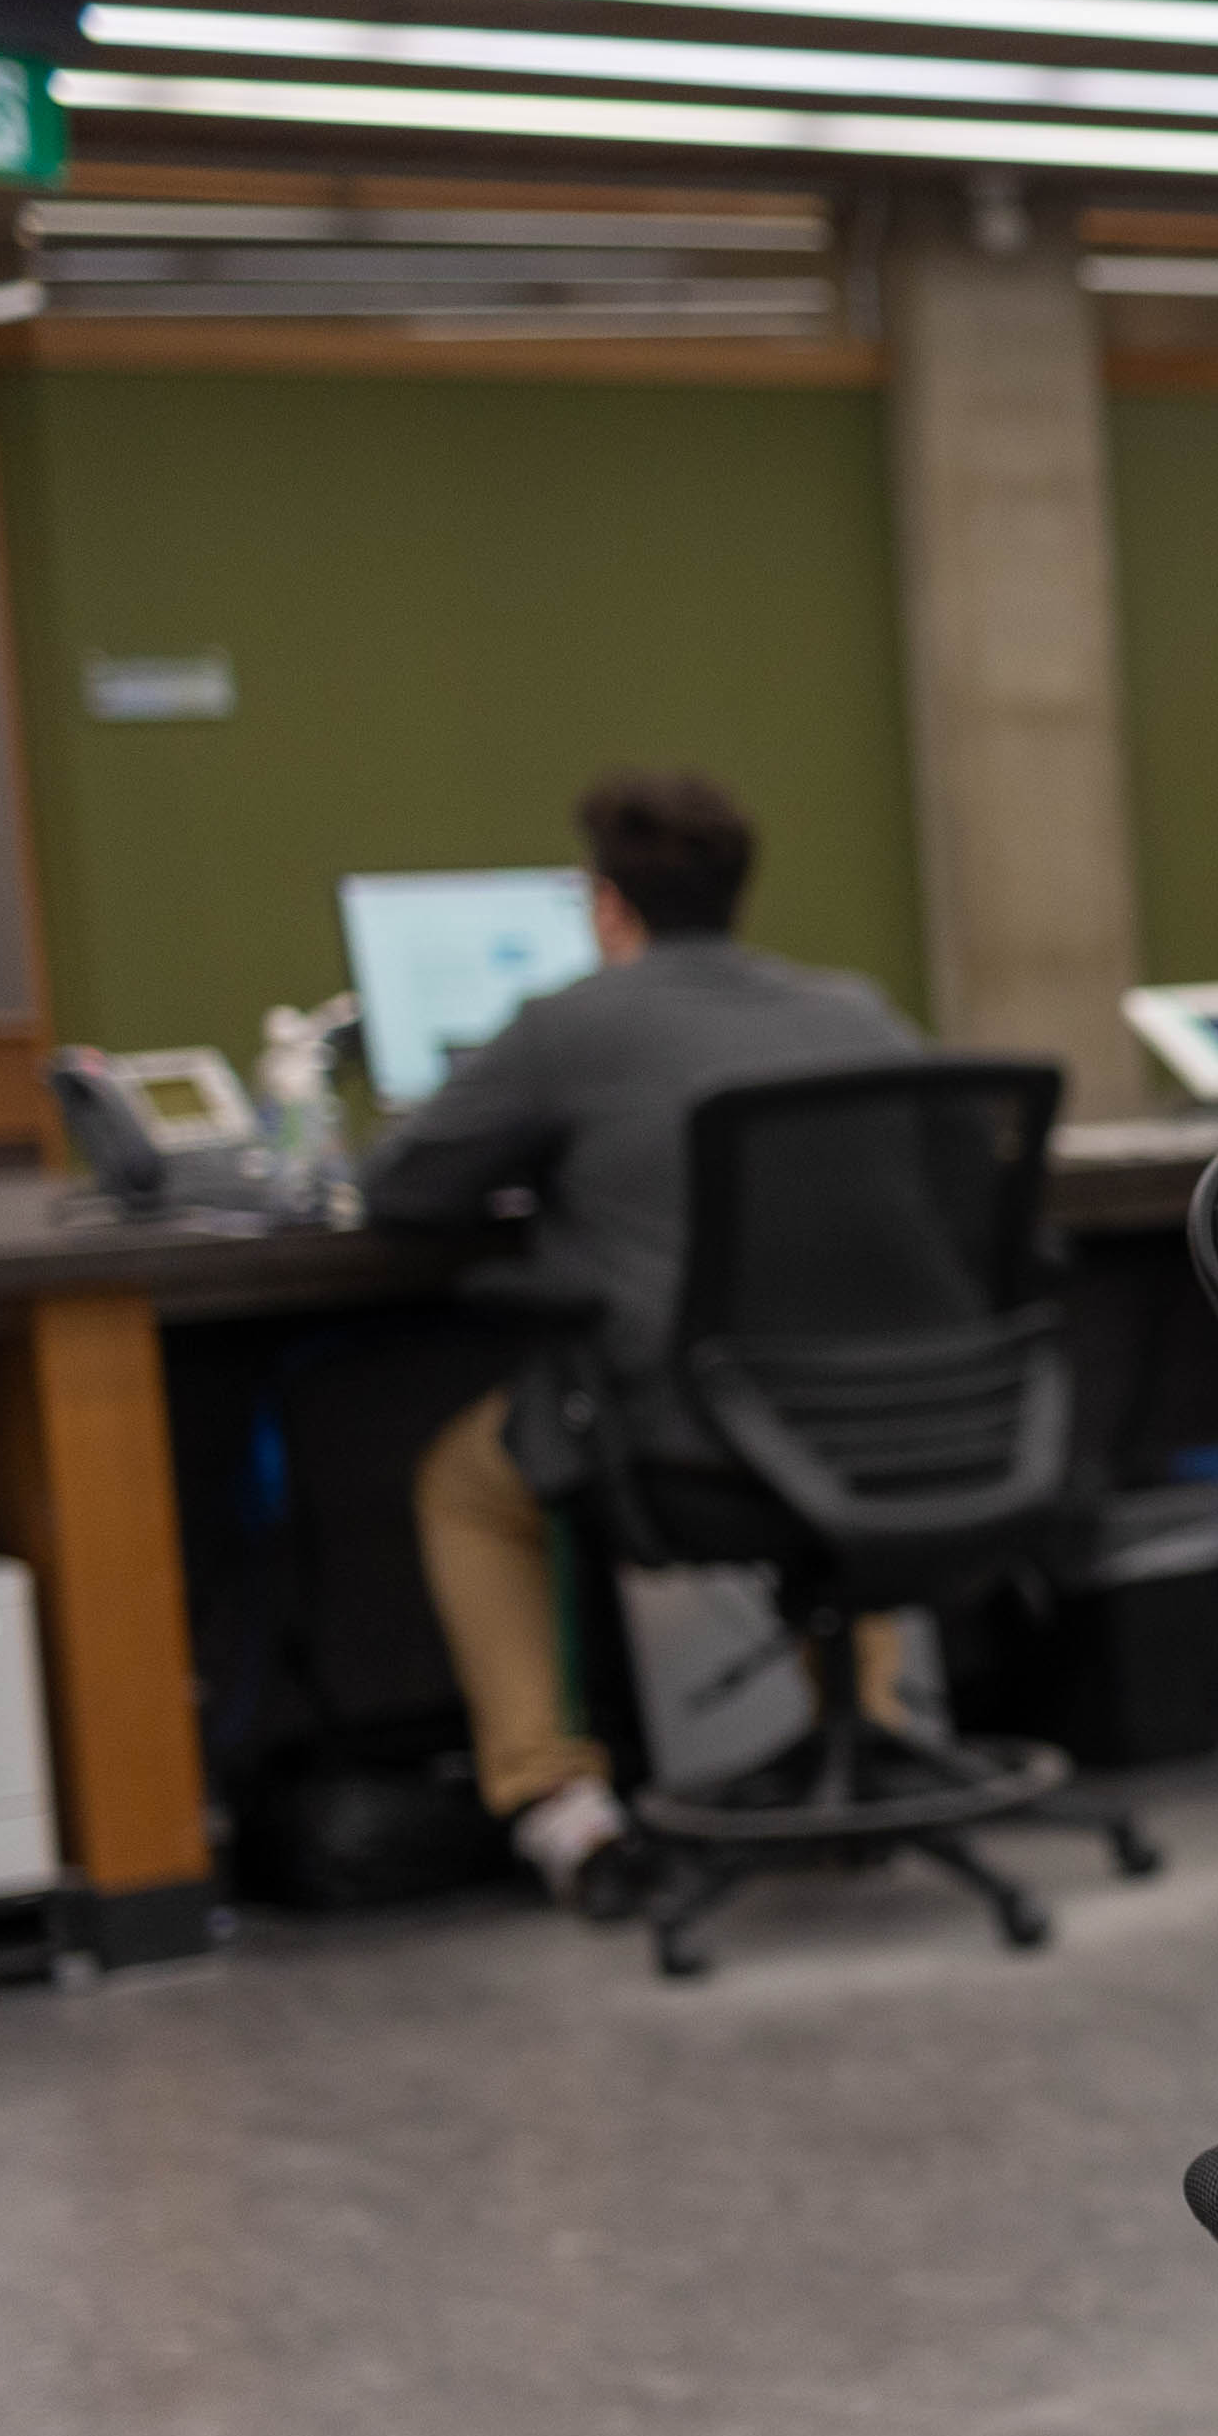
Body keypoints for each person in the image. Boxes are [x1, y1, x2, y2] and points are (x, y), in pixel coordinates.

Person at [368, 770, 918, 1910]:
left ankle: (555, 1804)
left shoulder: (570, 1025)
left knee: (467, 1488)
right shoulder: (860, 1012)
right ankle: (865, 1737)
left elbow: (405, 1189)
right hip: (897, 1429)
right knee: (832, 1448)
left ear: (607, 907)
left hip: (689, 1447)